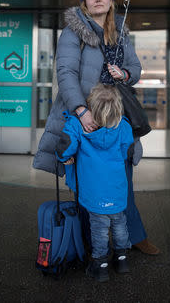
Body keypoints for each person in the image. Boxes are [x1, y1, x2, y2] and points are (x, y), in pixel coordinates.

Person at [33, 0, 160, 256]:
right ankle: (88, 244)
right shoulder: (72, 33)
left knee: (122, 180)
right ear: (85, 2)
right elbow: (65, 74)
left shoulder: (121, 34)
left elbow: (136, 69)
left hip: (116, 120)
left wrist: (124, 74)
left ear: (111, 1)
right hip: (85, 118)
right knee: (85, 183)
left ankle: (134, 237)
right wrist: (81, 111)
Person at [56, 83, 134, 282]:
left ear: (91, 107)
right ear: (118, 107)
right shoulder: (123, 126)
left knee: (98, 229)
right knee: (119, 224)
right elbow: (127, 150)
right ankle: (122, 259)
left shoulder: (77, 125)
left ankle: (100, 265)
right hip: (117, 190)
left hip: (94, 193)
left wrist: (66, 158)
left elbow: (64, 148)